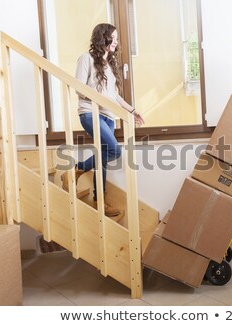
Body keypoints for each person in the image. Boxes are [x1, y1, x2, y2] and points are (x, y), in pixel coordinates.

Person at [62, 23, 144, 217]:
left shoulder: (109, 65)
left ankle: (100, 201)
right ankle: (77, 169)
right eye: (113, 37)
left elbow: (113, 96)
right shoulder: (86, 59)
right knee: (114, 150)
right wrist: (102, 100)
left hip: (108, 117)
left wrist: (132, 111)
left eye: (116, 38)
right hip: (90, 113)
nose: (116, 41)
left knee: (103, 158)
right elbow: (79, 88)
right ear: (103, 38)